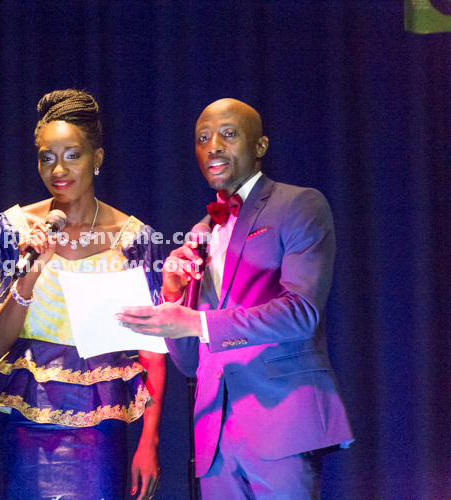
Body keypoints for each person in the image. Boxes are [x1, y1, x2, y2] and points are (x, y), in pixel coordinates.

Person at [116, 98, 353, 498]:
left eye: (228, 134)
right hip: (215, 436)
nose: (213, 147)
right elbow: (191, 362)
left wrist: (195, 321)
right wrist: (174, 294)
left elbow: (301, 313)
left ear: (260, 146)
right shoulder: (202, 231)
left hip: (281, 420)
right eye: (202, 139)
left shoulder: (299, 204)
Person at [0, 89, 166, 500]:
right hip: (28, 418)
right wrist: (32, 271)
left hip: (102, 422)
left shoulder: (135, 238)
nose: (58, 169)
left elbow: (151, 350)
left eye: (72, 155)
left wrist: (149, 440)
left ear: (97, 157)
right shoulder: (11, 229)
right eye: (47, 157)